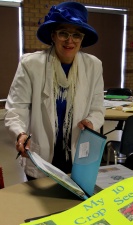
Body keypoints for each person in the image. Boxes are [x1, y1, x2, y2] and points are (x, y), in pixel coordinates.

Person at [4, 1, 105, 179]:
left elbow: (97, 109)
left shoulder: (93, 66)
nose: (70, 40)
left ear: (82, 39)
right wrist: (20, 133)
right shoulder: (31, 64)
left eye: (76, 35)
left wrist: (91, 122)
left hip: (76, 150)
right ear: (53, 35)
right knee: (42, 205)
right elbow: (16, 108)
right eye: (63, 33)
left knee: (74, 203)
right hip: (39, 153)